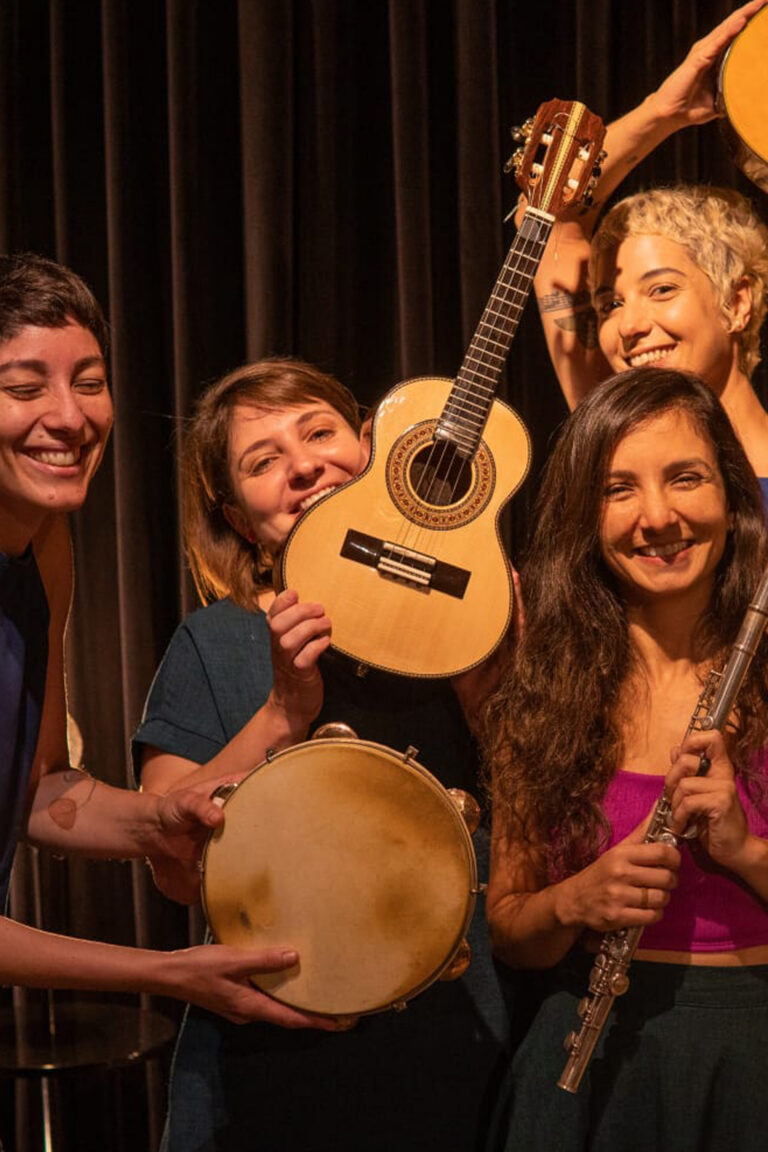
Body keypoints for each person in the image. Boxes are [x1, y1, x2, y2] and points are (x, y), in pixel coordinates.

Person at [132, 357, 511, 1152]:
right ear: (238, 520)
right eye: (262, 462)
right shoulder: (215, 640)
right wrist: (282, 710)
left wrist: (487, 670)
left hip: (458, 1039)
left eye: (319, 432)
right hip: (267, 1054)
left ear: (374, 450)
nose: (303, 464)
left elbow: (555, 824)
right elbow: (172, 866)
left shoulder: (478, 619)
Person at [0, 252, 338, 1030]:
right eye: (25, 388)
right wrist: (166, 972)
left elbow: (43, 791)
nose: (71, 416)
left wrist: (158, 822)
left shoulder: (47, 545)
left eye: (88, 381)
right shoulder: (210, 638)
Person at [485, 367, 768, 1151]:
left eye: (686, 478)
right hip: (584, 1066)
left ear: (730, 493)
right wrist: (575, 900)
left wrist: (745, 853)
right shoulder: (541, 694)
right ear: (585, 514)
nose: (658, 517)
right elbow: (509, 927)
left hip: (751, 1057)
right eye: (618, 489)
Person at [531, 1, 768, 491]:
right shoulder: (616, 439)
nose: (630, 327)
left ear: (738, 302)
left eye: (661, 290)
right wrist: (663, 111)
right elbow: (551, 214)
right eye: (610, 304)